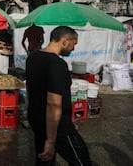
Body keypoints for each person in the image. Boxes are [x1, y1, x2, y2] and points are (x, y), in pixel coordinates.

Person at [26, 26, 92, 165]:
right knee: (82, 161)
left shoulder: (32, 57)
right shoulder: (57, 64)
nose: (73, 49)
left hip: (37, 120)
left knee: (44, 159)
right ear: (65, 41)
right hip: (59, 126)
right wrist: (51, 140)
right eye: (73, 44)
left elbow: (32, 89)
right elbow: (53, 103)